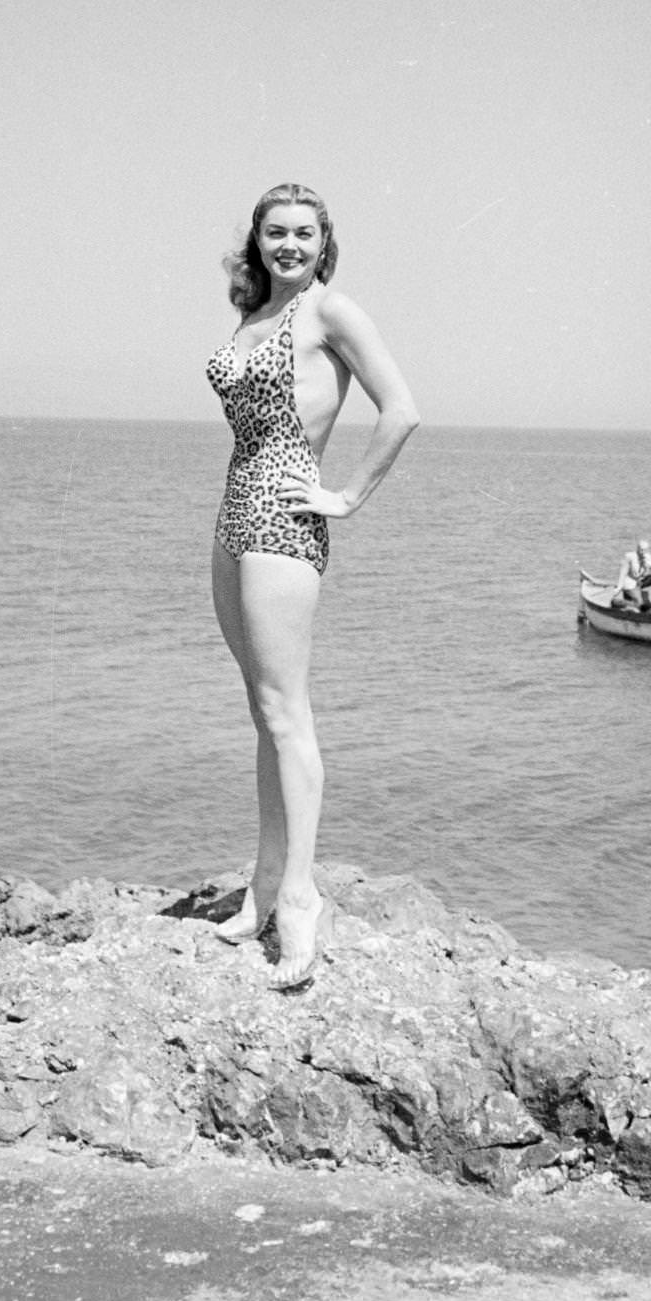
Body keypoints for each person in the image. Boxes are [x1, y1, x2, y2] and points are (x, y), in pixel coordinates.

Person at [205, 183, 419, 990]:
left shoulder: (332, 312)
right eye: (274, 233)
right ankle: (261, 887)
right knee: (263, 712)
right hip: (233, 513)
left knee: (289, 715)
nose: (288, 246)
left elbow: (400, 410)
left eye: (303, 234)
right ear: (255, 241)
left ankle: (300, 900)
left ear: (323, 241)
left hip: (286, 517)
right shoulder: (258, 315)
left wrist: (346, 495)